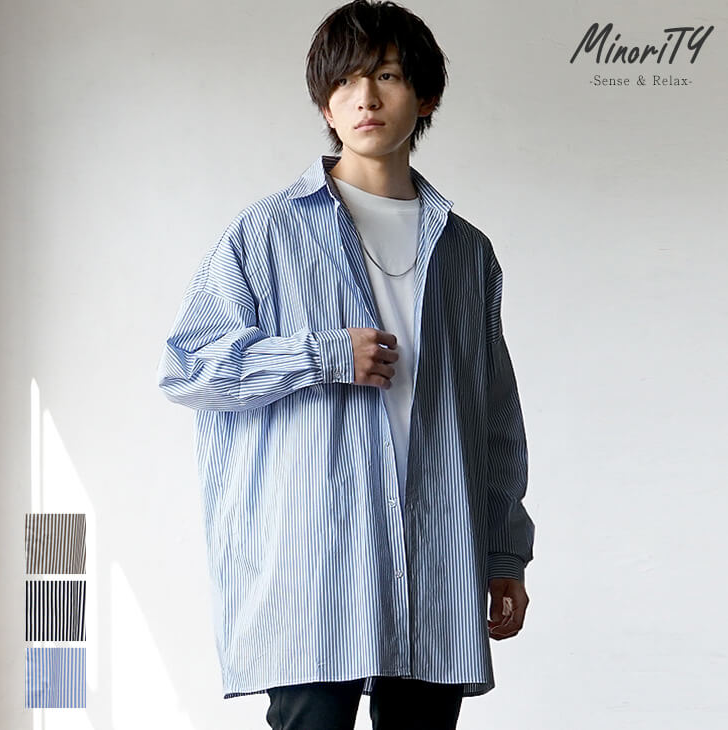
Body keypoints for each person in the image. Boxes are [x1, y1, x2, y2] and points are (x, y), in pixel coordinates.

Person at [156, 1, 535, 728]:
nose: (365, 97)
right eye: (346, 81)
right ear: (326, 105)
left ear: (425, 97)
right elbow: (188, 368)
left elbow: (494, 418)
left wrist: (503, 554)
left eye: (387, 76)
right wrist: (321, 356)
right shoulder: (267, 232)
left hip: (437, 555)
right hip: (314, 561)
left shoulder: (466, 252)